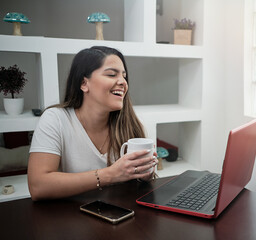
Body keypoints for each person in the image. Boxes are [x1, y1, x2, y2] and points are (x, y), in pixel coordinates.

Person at [27, 46, 158, 201]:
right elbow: (38, 186)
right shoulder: (55, 119)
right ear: (84, 83)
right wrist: (110, 175)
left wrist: (144, 173)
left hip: (118, 215)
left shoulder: (129, 123)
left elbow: (139, 186)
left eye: (124, 76)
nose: (123, 82)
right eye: (111, 74)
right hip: (70, 217)